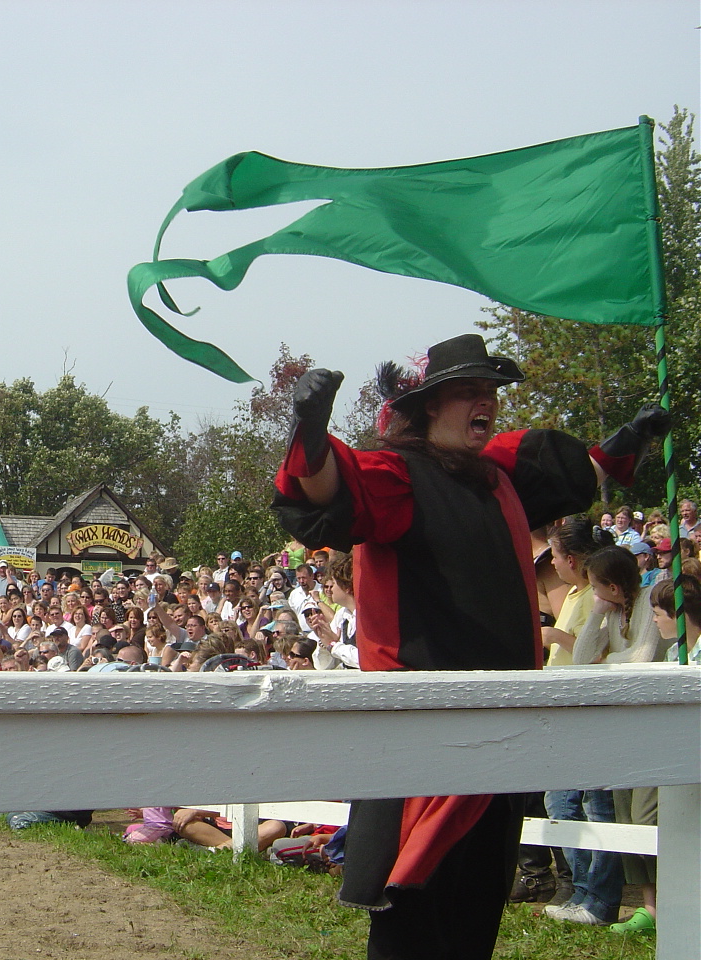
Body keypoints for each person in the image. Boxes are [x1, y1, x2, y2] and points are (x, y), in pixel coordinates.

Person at [272, 333, 666, 960]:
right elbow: (323, 494)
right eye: (468, 393)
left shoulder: (499, 477)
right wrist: (311, 428)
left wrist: (632, 436)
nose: (485, 403)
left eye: (489, 392)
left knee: (475, 916)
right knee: (415, 917)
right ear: (430, 406)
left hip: (502, 729)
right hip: (426, 735)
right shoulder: (398, 475)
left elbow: (575, 473)